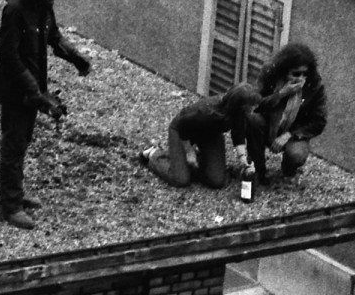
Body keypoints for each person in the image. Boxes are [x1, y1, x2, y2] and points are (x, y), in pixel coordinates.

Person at [0, 0, 90, 229]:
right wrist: (34, 91)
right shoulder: (14, 11)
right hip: (15, 91)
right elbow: (9, 56)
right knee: (14, 145)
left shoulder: (44, 9)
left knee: (23, 142)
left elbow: (53, 37)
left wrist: (75, 57)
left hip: (32, 89)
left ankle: (15, 194)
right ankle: (9, 207)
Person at [138, 83, 269, 188]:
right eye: (251, 105)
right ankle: (154, 154)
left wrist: (242, 158)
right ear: (240, 104)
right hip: (183, 132)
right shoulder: (207, 111)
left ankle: (193, 159)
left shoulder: (239, 113)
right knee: (180, 179)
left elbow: (238, 135)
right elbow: (183, 125)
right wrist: (189, 152)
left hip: (210, 134)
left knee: (216, 181)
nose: (254, 107)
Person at [245, 43, 327, 182]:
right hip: (267, 124)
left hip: (294, 131)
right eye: (296, 74)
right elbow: (254, 104)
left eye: (304, 74)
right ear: (285, 71)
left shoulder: (315, 85)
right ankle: (258, 168)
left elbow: (319, 121)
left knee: (297, 155)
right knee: (253, 120)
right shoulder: (269, 74)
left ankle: (288, 169)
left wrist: (289, 135)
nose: (300, 78)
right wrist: (281, 94)